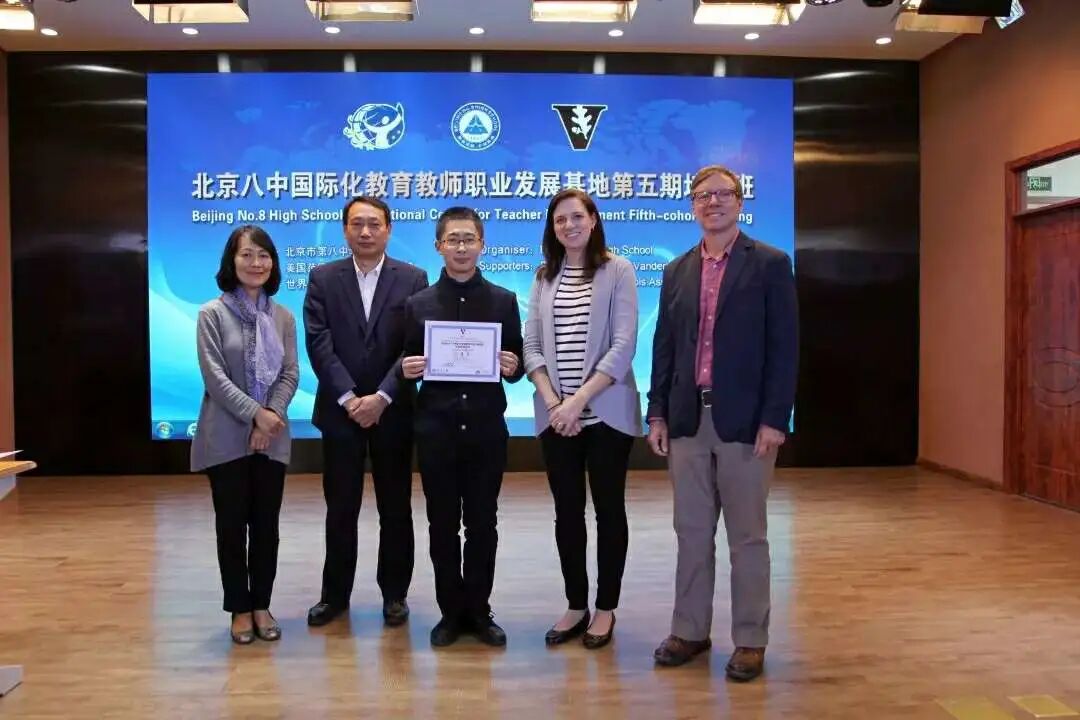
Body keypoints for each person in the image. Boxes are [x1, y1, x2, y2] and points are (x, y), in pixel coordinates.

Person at [646, 165, 798, 681]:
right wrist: (657, 411)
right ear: (692, 205)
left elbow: (784, 348)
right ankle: (689, 630)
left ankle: (751, 639)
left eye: (723, 194)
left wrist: (775, 418)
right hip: (687, 419)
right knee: (691, 532)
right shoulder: (677, 270)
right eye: (702, 195)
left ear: (739, 201)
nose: (712, 202)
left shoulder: (770, 264)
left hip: (747, 423)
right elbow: (664, 346)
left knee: (747, 537)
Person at [399, 206, 525, 648]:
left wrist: (512, 365)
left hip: (486, 431)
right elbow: (406, 361)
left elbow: (516, 364)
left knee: (483, 524)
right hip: (437, 431)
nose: (461, 247)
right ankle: (451, 612)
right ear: (439, 246)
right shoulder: (418, 305)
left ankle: (479, 610)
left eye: (469, 239)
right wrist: (407, 368)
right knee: (442, 525)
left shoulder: (504, 301)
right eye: (452, 239)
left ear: (482, 245)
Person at [303, 196, 428, 629]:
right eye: (357, 224)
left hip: (393, 411)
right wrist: (350, 398)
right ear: (345, 230)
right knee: (341, 508)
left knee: (395, 508)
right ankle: (335, 596)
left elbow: (415, 345)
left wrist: (382, 397)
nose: (366, 231)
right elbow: (319, 343)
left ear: (389, 229)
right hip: (340, 413)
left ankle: (394, 595)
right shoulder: (323, 277)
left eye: (374, 223)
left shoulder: (413, 278)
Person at [522, 188, 640, 650]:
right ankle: (576, 604)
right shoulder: (543, 276)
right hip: (557, 418)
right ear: (552, 229)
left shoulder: (619, 270)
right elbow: (531, 346)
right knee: (567, 513)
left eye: (576, 217)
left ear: (593, 220)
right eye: (560, 220)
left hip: (605, 415)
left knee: (609, 511)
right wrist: (556, 404)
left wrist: (579, 402)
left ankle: (606, 607)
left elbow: (623, 345)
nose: (569, 225)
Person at [192, 224, 299, 645]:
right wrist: (256, 414)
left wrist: (270, 416)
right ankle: (239, 607)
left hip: (272, 436)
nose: (256, 263)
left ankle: (262, 604)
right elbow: (215, 378)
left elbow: (290, 372)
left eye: (263, 255)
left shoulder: (283, 316)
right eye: (247, 255)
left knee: (266, 526)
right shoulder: (211, 314)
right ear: (231, 261)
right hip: (225, 435)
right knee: (232, 526)